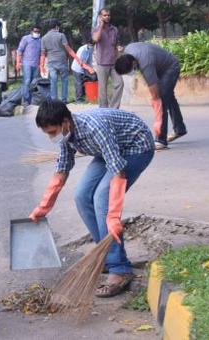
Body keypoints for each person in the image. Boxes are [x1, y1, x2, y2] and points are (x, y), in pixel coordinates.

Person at [29, 99, 154, 297]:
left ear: (65, 122)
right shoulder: (67, 135)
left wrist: (113, 217)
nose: (51, 137)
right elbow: (62, 170)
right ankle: (104, 254)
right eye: (47, 133)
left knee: (102, 198)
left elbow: (118, 173)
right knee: (81, 196)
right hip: (110, 151)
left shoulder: (95, 129)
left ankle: (119, 269)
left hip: (136, 147)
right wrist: (43, 207)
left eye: (53, 132)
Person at [115, 42, 187, 150]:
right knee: (169, 97)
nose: (130, 73)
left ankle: (161, 140)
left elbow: (155, 95)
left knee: (161, 100)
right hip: (159, 66)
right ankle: (179, 129)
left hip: (170, 67)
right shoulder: (128, 49)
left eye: (129, 71)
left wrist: (154, 99)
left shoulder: (145, 64)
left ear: (133, 63)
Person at [40, 19, 88, 103]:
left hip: (51, 62)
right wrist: (77, 59)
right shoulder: (61, 35)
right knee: (64, 80)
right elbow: (68, 49)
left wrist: (41, 66)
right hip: (62, 61)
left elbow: (43, 53)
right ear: (56, 26)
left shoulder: (44, 38)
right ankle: (64, 100)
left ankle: (54, 100)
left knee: (53, 80)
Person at [93, 8, 124, 108]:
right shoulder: (96, 29)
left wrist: (119, 48)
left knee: (120, 84)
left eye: (108, 15)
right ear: (100, 17)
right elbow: (95, 39)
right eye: (105, 15)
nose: (107, 17)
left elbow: (116, 44)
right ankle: (103, 110)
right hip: (102, 63)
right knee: (103, 90)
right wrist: (101, 26)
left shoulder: (114, 29)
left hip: (114, 63)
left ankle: (113, 108)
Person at [16, 25, 42, 105]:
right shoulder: (25, 38)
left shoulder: (40, 40)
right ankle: (26, 100)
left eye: (38, 32)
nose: (36, 33)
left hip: (36, 64)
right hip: (26, 64)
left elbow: (42, 53)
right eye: (35, 31)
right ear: (31, 31)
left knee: (34, 82)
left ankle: (32, 100)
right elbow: (19, 51)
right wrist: (18, 63)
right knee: (27, 81)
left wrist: (41, 65)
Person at [71, 33, 96, 103]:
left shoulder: (90, 49)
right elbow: (80, 63)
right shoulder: (82, 49)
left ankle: (84, 97)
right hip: (77, 68)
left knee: (84, 82)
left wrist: (91, 68)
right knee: (79, 83)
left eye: (93, 45)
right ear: (88, 43)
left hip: (84, 67)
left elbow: (90, 60)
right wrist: (88, 68)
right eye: (91, 44)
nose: (92, 46)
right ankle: (78, 99)